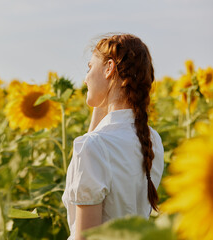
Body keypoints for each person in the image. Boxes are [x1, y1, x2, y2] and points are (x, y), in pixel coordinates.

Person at [61, 33, 165, 240]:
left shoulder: (93, 147)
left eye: (90, 68)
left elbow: (86, 237)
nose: (85, 78)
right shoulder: (153, 139)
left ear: (109, 68)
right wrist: (103, 103)